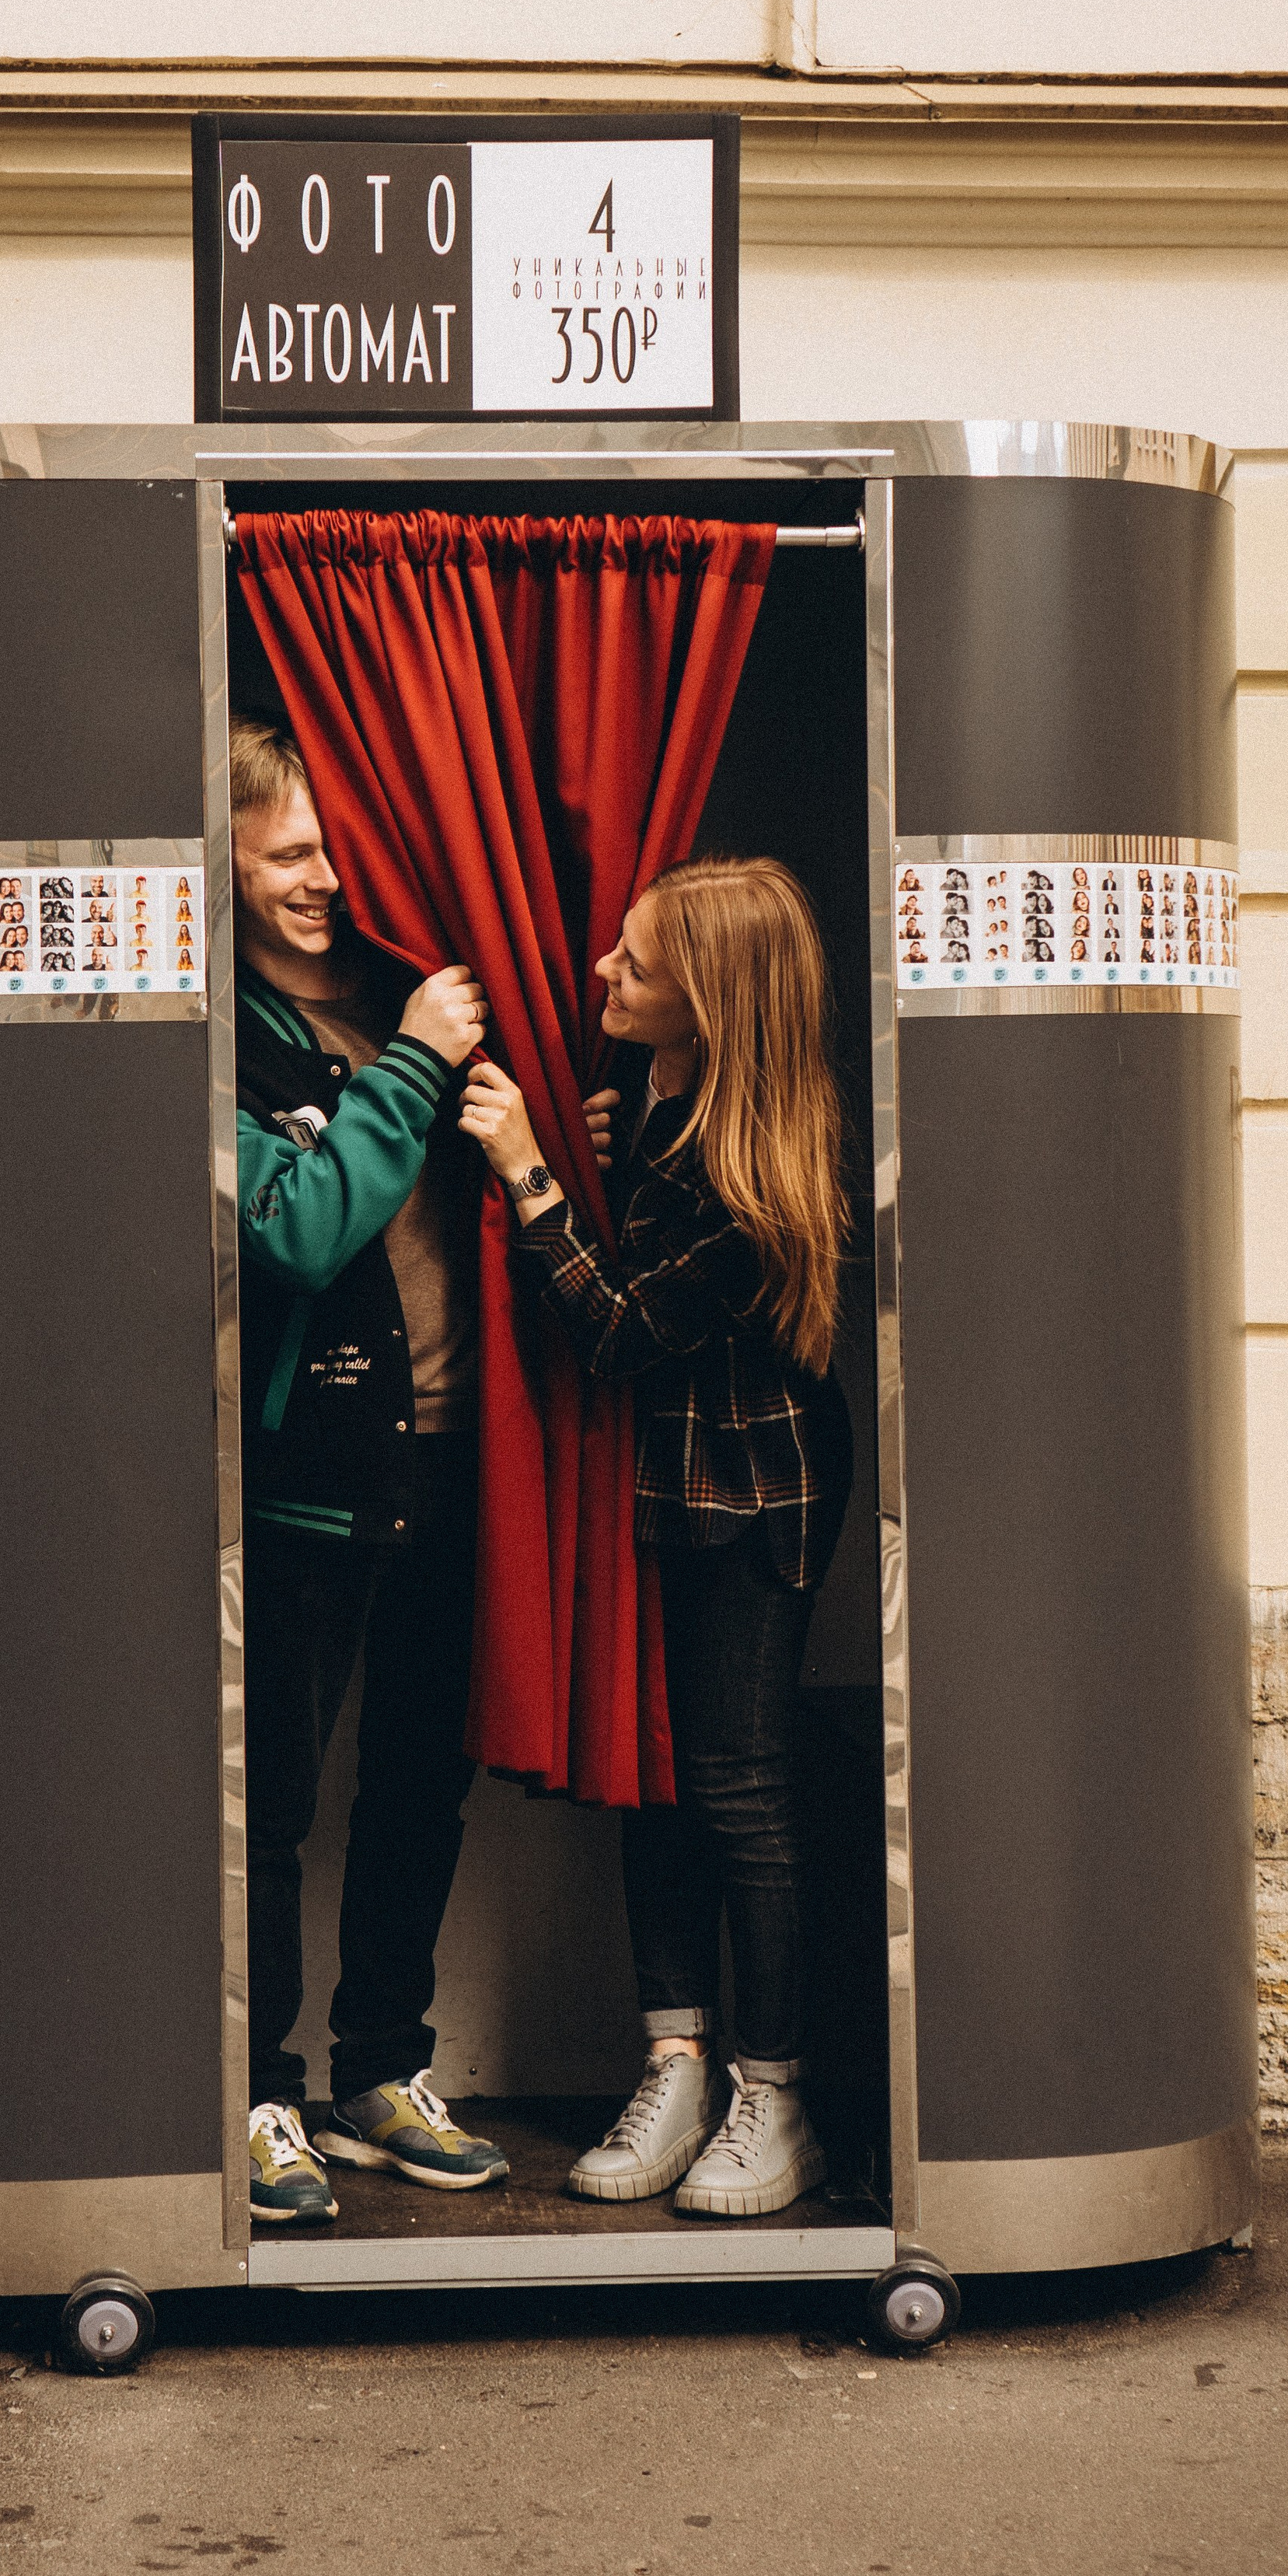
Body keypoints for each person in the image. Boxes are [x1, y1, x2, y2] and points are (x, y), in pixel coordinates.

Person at [459, 856, 853, 2216]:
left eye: (634, 965)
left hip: (746, 1500)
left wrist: (530, 1179)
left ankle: (775, 2092)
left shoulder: (756, 1179)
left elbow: (621, 1333)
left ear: (712, 1000)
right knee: (661, 1778)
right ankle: (677, 2061)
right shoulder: (674, 1110)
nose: (602, 978)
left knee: (740, 1790)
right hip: (673, 1486)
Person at [229, 717, 511, 2226]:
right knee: (269, 1797)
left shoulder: (437, 981)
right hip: (304, 1478)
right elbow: (294, 1229)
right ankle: (257, 2094)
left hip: (462, 1457)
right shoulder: (219, 1034)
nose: (323, 880)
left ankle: (378, 2071)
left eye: (340, 848)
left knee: (419, 1783)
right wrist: (411, 1062)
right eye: (287, 854)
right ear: (217, 851)